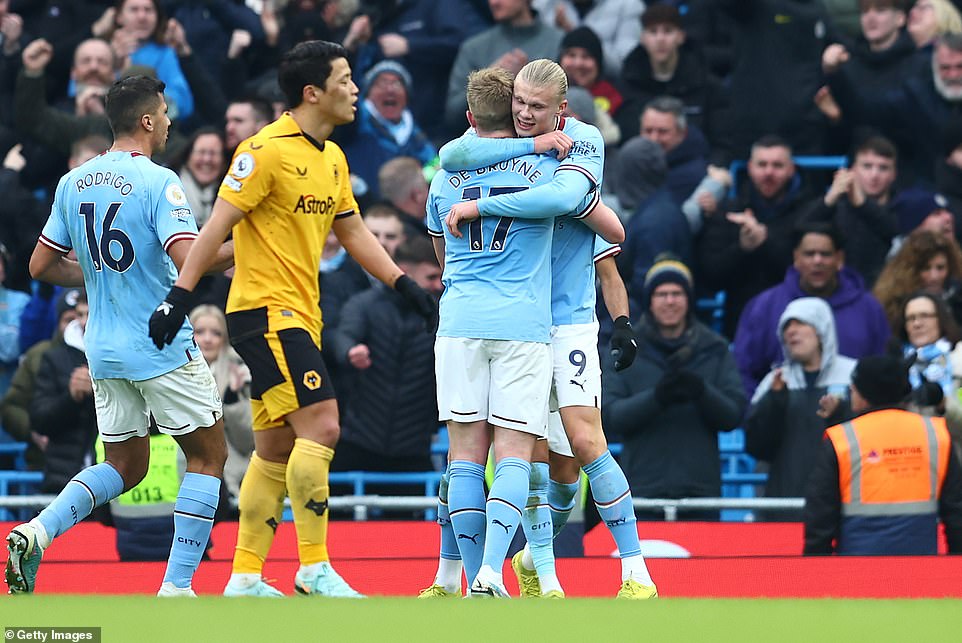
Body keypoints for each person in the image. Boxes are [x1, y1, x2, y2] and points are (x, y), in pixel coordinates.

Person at [146, 40, 437, 599]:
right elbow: (214, 229)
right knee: (324, 426)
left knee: (275, 448)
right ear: (313, 92)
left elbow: (351, 232)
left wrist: (402, 284)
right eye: (346, 79)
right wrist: (179, 298)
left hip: (299, 313)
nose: (355, 89)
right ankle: (312, 566)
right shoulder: (263, 152)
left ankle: (246, 576)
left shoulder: (332, 157)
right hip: (264, 312)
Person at [437, 58, 654, 599]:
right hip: (518, 323)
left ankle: (624, 568)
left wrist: (620, 320)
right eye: (519, 104)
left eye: (537, 107)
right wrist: (522, 152)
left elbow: (582, 212)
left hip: (569, 321)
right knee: (512, 451)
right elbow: (450, 154)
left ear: (562, 109)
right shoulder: (507, 142)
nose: (526, 115)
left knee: (575, 450)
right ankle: (518, 575)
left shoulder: (583, 141)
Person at [7, 74, 231, 597]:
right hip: (160, 343)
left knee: (123, 465)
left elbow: (40, 265)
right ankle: (177, 588)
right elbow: (188, 261)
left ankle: (37, 532)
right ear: (148, 120)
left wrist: (97, 273)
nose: (172, 121)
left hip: (103, 348)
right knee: (208, 456)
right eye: (166, 112)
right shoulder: (159, 181)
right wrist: (255, 244)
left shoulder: (74, 181)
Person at [603, 257, 746, 517]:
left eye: (677, 293)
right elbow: (612, 417)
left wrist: (701, 390)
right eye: (662, 294)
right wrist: (657, 397)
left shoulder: (714, 348)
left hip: (701, 494)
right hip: (642, 492)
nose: (670, 301)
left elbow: (733, 414)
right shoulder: (627, 351)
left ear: (689, 298)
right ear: (649, 300)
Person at [804, 353, 962, 555]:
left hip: (858, 574)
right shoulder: (936, 434)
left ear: (863, 393)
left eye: (854, 384)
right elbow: (956, 515)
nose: (851, 389)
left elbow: (820, 518)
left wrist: (814, 573)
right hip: (923, 575)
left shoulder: (841, 438)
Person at [733, 221, 890, 398]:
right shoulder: (764, 306)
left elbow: (882, 367)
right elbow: (742, 371)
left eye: (825, 254)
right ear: (796, 258)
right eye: (809, 254)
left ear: (840, 259)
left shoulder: (869, 309)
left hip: (855, 419)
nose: (817, 261)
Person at [745, 297, 857, 520]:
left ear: (821, 329)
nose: (791, 332)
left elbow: (869, 434)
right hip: (784, 502)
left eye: (800, 324)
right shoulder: (773, 381)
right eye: (786, 326)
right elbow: (756, 446)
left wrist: (842, 411)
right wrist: (774, 401)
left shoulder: (853, 374)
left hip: (844, 503)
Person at [802, 135, 900, 286]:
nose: (874, 175)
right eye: (867, 166)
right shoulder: (835, 207)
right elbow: (800, 229)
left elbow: (892, 230)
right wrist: (830, 198)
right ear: (852, 170)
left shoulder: (903, 205)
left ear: (894, 174)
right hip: (837, 287)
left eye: (883, 168)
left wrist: (862, 204)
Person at [189, 304, 253, 507]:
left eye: (215, 333)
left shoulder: (242, 372)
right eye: (199, 332)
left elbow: (248, 440)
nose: (207, 339)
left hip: (232, 481)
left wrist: (232, 398)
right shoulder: (170, 373)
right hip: (182, 475)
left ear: (224, 339)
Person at [874, 228, 962, 329]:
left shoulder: (958, 304)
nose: (934, 276)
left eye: (940, 268)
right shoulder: (893, 309)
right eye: (926, 268)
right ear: (910, 271)